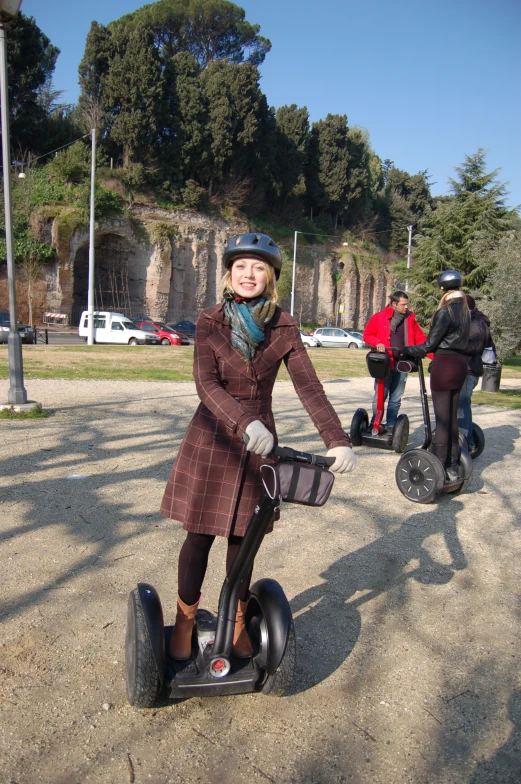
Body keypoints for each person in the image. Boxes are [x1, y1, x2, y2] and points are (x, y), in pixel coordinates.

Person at [160, 232, 357, 661]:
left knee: (244, 537)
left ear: (271, 276)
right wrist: (243, 419)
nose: (249, 274)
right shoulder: (211, 320)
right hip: (214, 436)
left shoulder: (284, 326)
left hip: (260, 442)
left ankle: (233, 621)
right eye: (241, 267)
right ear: (229, 275)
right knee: (199, 534)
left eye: (259, 267)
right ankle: (186, 619)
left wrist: (337, 440)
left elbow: (309, 387)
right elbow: (205, 384)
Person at [401, 270, 470, 482]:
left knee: (441, 420)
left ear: (442, 289)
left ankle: (440, 465)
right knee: (452, 420)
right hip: (460, 366)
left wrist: (407, 349)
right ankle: (451, 463)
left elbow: (429, 344)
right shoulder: (466, 311)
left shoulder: (445, 311)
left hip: (444, 366)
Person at [362, 290, 428, 433]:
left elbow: (422, 339)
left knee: (396, 398)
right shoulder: (379, 318)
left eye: (407, 304)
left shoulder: (410, 320)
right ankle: (375, 423)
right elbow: (367, 335)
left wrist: (432, 355)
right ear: (394, 304)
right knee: (379, 396)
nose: (406, 307)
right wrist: (377, 342)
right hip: (384, 364)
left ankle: (391, 425)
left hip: (403, 364)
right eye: (403, 305)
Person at [457, 295, 492, 451]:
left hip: (469, 369)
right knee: (464, 405)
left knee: (461, 407)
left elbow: (474, 347)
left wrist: (453, 342)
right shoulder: (471, 320)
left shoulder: (477, 323)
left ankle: (463, 444)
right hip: (466, 368)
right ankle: (469, 441)